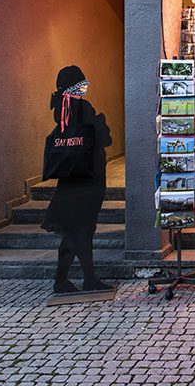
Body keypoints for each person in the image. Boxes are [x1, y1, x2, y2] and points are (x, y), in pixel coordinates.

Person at [42, 65, 113, 293]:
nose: (86, 86)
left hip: (71, 178)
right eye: (82, 83)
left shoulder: (61, 109)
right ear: (75, 86)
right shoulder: (82, 108)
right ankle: (86, 279)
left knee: (73, 230)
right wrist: (101, 122)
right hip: (87, 178)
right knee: (82, 229)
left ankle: (63, 280)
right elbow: (103, 138)